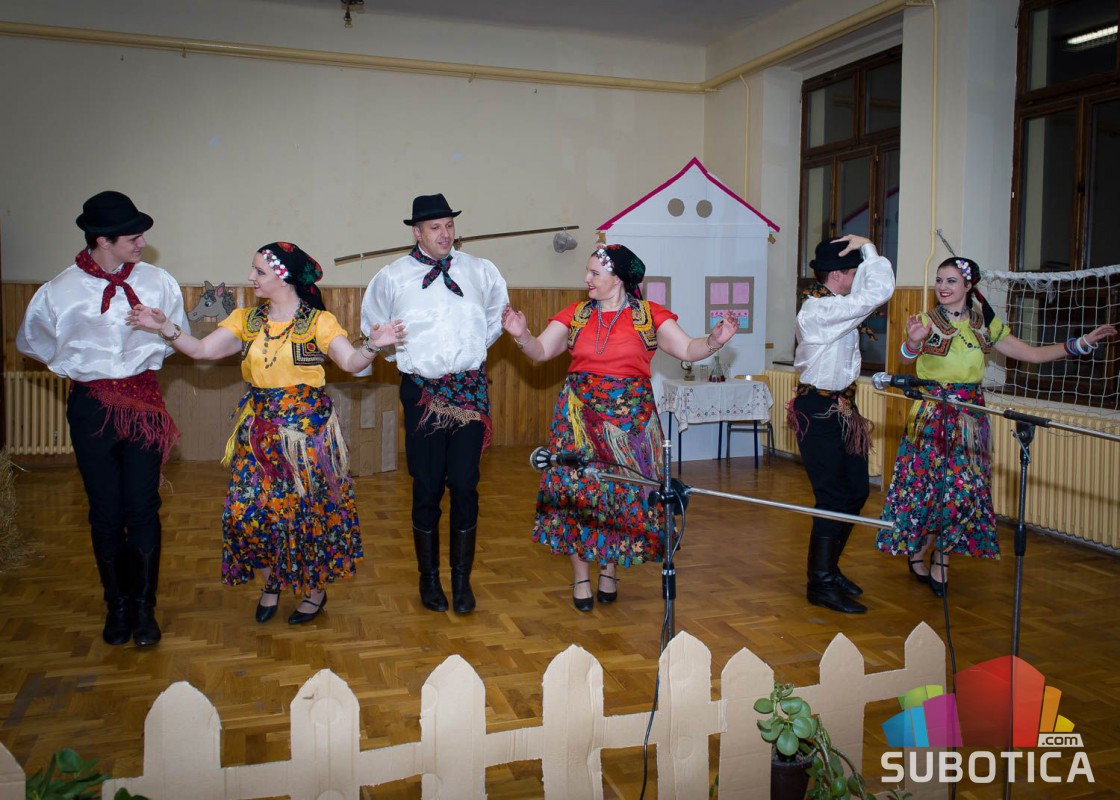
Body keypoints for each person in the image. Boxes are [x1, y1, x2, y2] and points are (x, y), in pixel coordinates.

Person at [127, 242, 404, 624]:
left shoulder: (318, 322)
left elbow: (351, 362)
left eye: (259, 271)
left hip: (306, 438)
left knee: (303, 516)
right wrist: (164, 327)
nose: (250, 277)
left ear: (283, 276)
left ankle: (314, 591)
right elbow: (202, 350)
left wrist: (373, 344)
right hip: (258, 435)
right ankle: (272, 579)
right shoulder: (247, 320)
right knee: (246, 514)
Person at [502, 243, 739, 611]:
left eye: (594, 273)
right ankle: (581, 577)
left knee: (617, 495)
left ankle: (609, 570)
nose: (586, 279)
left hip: (630, 424)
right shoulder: (576, 314)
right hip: (578, 419)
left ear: (618, 278)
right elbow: (541, 351)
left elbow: (688, 349)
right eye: (587, 272)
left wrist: (714, 341)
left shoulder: (648, 315)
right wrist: (521, 335)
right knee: (578, 495)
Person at [876, 256, 1116, 596]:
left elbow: (1030, 354)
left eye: (951, 281)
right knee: (929, 490)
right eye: (940, 280)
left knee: (962, 492)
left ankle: (942, 558)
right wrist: (913, 341)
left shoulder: (984, 324)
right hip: (932, 417)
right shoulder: (925, 322)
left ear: (968, 286)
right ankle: (919, 549)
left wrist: (1081, 343)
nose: (943, 287)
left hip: (971, 418)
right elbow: (905, 357)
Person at [16, 191, 188, 647]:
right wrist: (78, 366)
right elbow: (32, 342)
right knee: (106, 511)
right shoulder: (59, 290)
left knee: (143, 507)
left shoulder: (159, 282)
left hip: (144, 402)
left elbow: (178, 336)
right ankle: (118, 607)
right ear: (103, 241)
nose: (142, 242)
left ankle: (144, 609)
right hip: (91, 406)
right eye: (133, 237)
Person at [361, 194, 509, 615]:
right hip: (422, 393)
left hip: (469, 392)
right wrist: (410, 359)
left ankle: (461, 580)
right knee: (426, 486)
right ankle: (428, 578)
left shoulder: (481, 271)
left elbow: (496, 318)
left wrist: (467, 354)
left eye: (449, 225)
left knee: (464, 484)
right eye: (435, 227)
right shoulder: (391, 278)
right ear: (417, 232)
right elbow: (374, 329)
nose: (445, 234)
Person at [789, 234, 895, 615]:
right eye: (854, 272)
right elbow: (876, 293)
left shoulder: (836, 308)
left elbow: (868, 295)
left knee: (856, 491)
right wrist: (868, 247)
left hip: (843, 408)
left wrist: (865, 255)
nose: (857, 279)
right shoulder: (818, 310)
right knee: (832, 497)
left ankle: (830, 569)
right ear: (838, 275)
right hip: (818, 410)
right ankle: (819, 583)